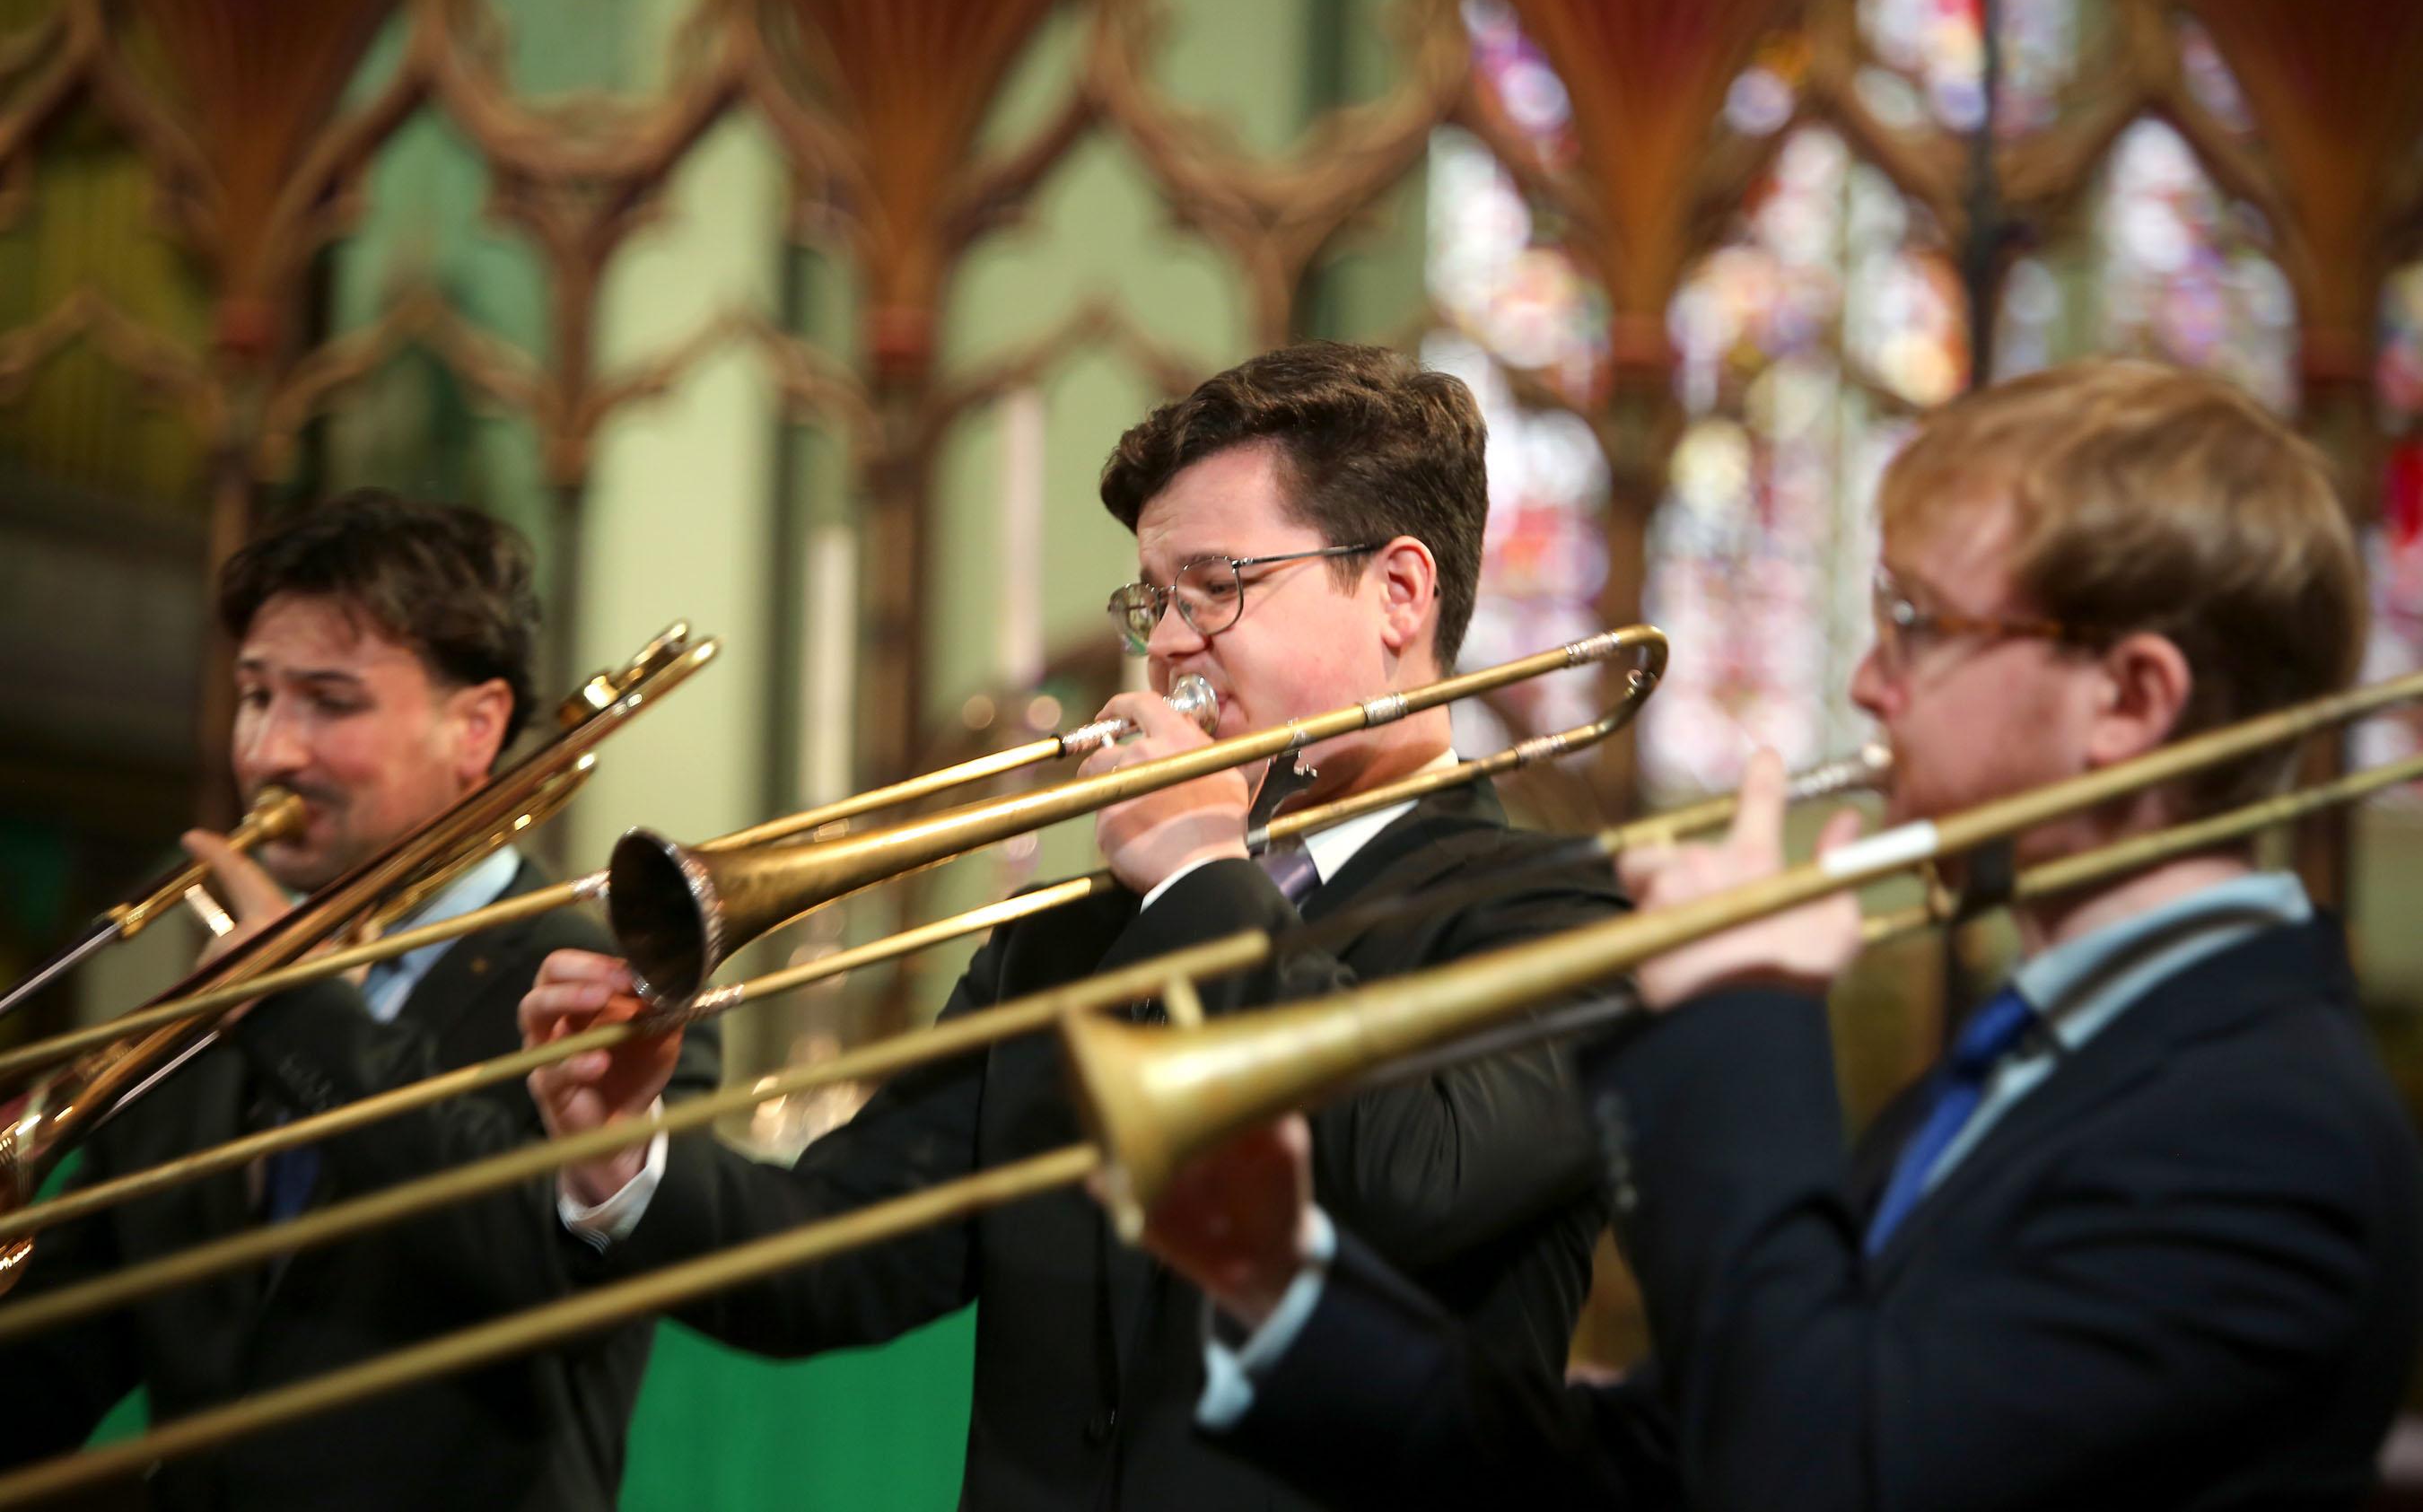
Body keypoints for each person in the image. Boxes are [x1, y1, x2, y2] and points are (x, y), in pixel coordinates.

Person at [1130, 358, 2423, 1512]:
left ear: (2131, 699)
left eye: (1920, 623)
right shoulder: (2035, 1066)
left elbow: (1812, 1475)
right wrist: (1286, 1296)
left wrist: (1742, 1020)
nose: (1868, 681)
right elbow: (1655, 1462)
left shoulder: (2266, 1127)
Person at [519, 341, 1628, 1511]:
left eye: (1220, 587)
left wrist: (1204, 871)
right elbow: (844, 1255)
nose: (1170, 643)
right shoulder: (1074, 936)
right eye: (1157, 599)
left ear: (1400, 591)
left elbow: (1413, 1183)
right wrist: (623, 1157)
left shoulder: (1564, 911)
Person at [0, 491, 722, 1511]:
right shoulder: (206, 1006)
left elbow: (553, 1265)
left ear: (477, 725)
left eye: (330, 703)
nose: (271, 752)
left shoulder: (604, 980)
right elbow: (51, 1373)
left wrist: (296, 1014)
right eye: (258, 695)